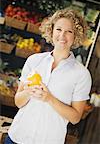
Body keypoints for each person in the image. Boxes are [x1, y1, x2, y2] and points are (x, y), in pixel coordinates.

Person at [4, 8, 92, 144]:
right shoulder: (34, 60)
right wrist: (28, 92)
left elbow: (75, 117)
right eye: (58, 29)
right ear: (51, 31)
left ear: (76, 36)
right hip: (17, 137)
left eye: (69, 31)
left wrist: (49, 98)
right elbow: (18, 102)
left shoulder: (81, 74)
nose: (62, 36)